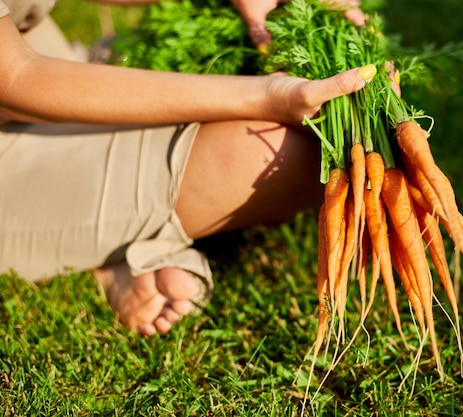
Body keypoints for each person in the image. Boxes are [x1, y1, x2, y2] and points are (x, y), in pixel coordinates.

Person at [0, 0, 373, 336]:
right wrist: (265, 97)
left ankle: (113, 236)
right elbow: (13, 81)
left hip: (53, 62)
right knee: (282, 154)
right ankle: (101, 252)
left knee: (312, 147)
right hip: (17, 123)